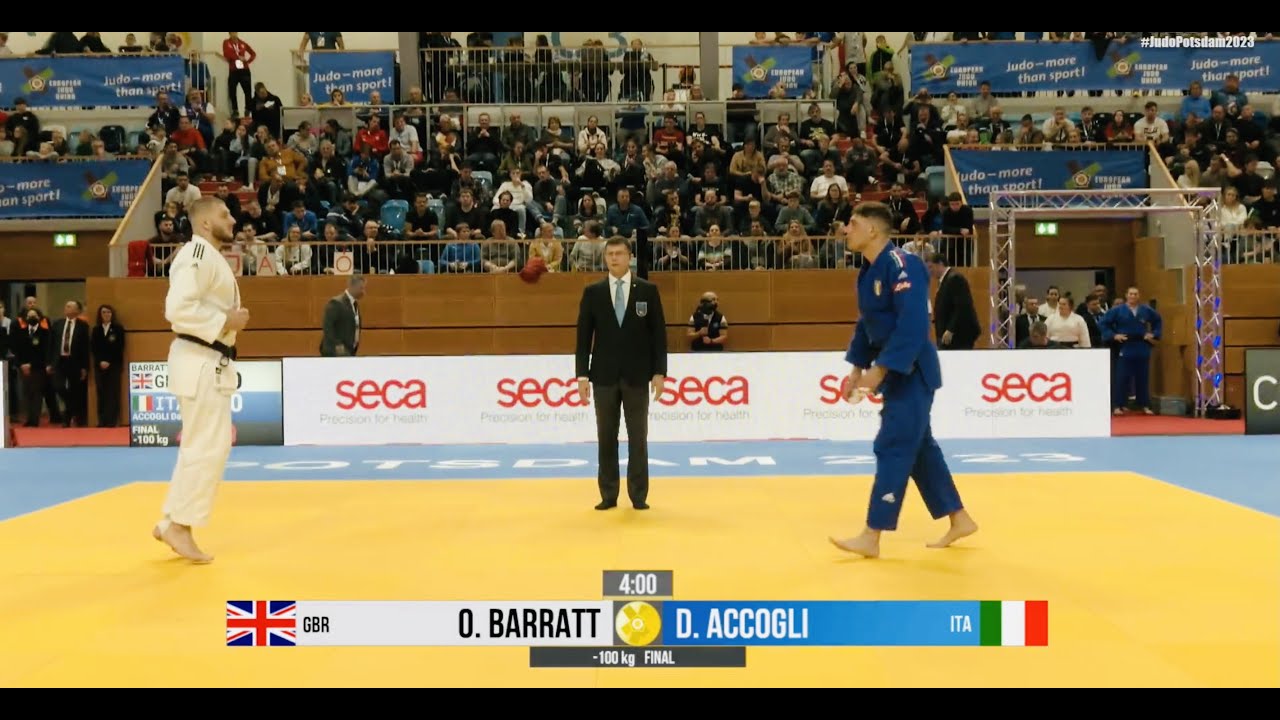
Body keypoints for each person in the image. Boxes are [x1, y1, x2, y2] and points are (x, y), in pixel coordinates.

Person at [829, 202, 978, 558]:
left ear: (873, 230)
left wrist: (878, 371)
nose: (845, 230)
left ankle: (872, 534)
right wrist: (856, 369)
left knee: (893, 445)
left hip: (913, 372)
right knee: (919, 449)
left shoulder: (903, 264)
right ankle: (960, 518)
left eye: (852, 223)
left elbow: (912, 327)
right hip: (896, 372)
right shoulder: (867, 271)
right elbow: (868, 325)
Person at [151, 196, 250, 563]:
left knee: (202, 445)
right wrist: (226, 321)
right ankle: (180, 525)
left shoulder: (208, 257)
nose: (233, 219)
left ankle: (170, 522)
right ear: (206, 223)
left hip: (206, 360)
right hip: (200, 359)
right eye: (225, 214)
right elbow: (177, 309)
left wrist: (225, 319)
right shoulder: (196, 255)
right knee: (208, 447)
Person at [575, 237, 667, 510]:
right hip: (603, 376)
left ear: (630, 257)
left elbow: (658, 335)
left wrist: (659, 372)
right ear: (605, 259)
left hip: (638, 375)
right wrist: (582, 376)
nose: (614, 258)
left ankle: (638, 494)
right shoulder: (593, 293)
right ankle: (608, 494)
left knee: (638, 437)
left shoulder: (647, 291)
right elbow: (583, 338)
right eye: (610, 254)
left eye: (619, 253)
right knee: (606, 436)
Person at [1099, 286, 1162, 415]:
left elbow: (1157, 320)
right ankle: (1118, 405)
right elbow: (1103, 323)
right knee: (1122, 377)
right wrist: (1113, 335)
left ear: (1139, 296)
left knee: (1143, 376)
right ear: (1126, 295)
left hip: (1142, 345)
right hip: (1125, 345)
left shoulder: (1145, 310)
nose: (1133, 296)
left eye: (1136, 294)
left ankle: (1144, 404)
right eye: (1131, 294)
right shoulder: (1117, 310)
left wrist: (1154, 334)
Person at [320, 275, 365, 356]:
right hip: (335, 352)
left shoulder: (354, 304)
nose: (363, 291)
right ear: (352, 286)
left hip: (349, 351)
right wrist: (337, 344)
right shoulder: (336, 303)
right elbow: (327, 326)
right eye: (361, 288)